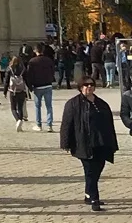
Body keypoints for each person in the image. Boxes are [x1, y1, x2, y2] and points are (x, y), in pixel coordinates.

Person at [60, 75, 118, 211]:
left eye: (91, 84)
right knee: (90, 171)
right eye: (86, 85)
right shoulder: (73, 104)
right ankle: (94, 199)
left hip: (101, 142)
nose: (89, 87)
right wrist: (65, 142)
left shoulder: (101, 103)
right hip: (84, 143)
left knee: (98, 168)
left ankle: (88, 193)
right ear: (81, 87)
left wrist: (112, 142)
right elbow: (66, 124)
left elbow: (109, 124)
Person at [24, 44, 56, 130]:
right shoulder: (48, 60)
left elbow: (29, 75)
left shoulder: (32, 61)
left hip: (37, 86)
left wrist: (30, 86)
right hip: (48, 85)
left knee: (37, 106)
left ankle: (39, 124)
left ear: (35, 51)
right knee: (49, 106)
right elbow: (52, 71)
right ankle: (49, 125)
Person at [8, 56, 29, 131]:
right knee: (20, 107)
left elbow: (6, 80)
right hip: (21, 90)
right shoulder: (23, 69)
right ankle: (20, 121)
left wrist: (5, 91)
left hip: (12, 90)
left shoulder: (10, 69)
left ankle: (18, 120)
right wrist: (29, 88)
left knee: (13, 108)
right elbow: (26, 79)